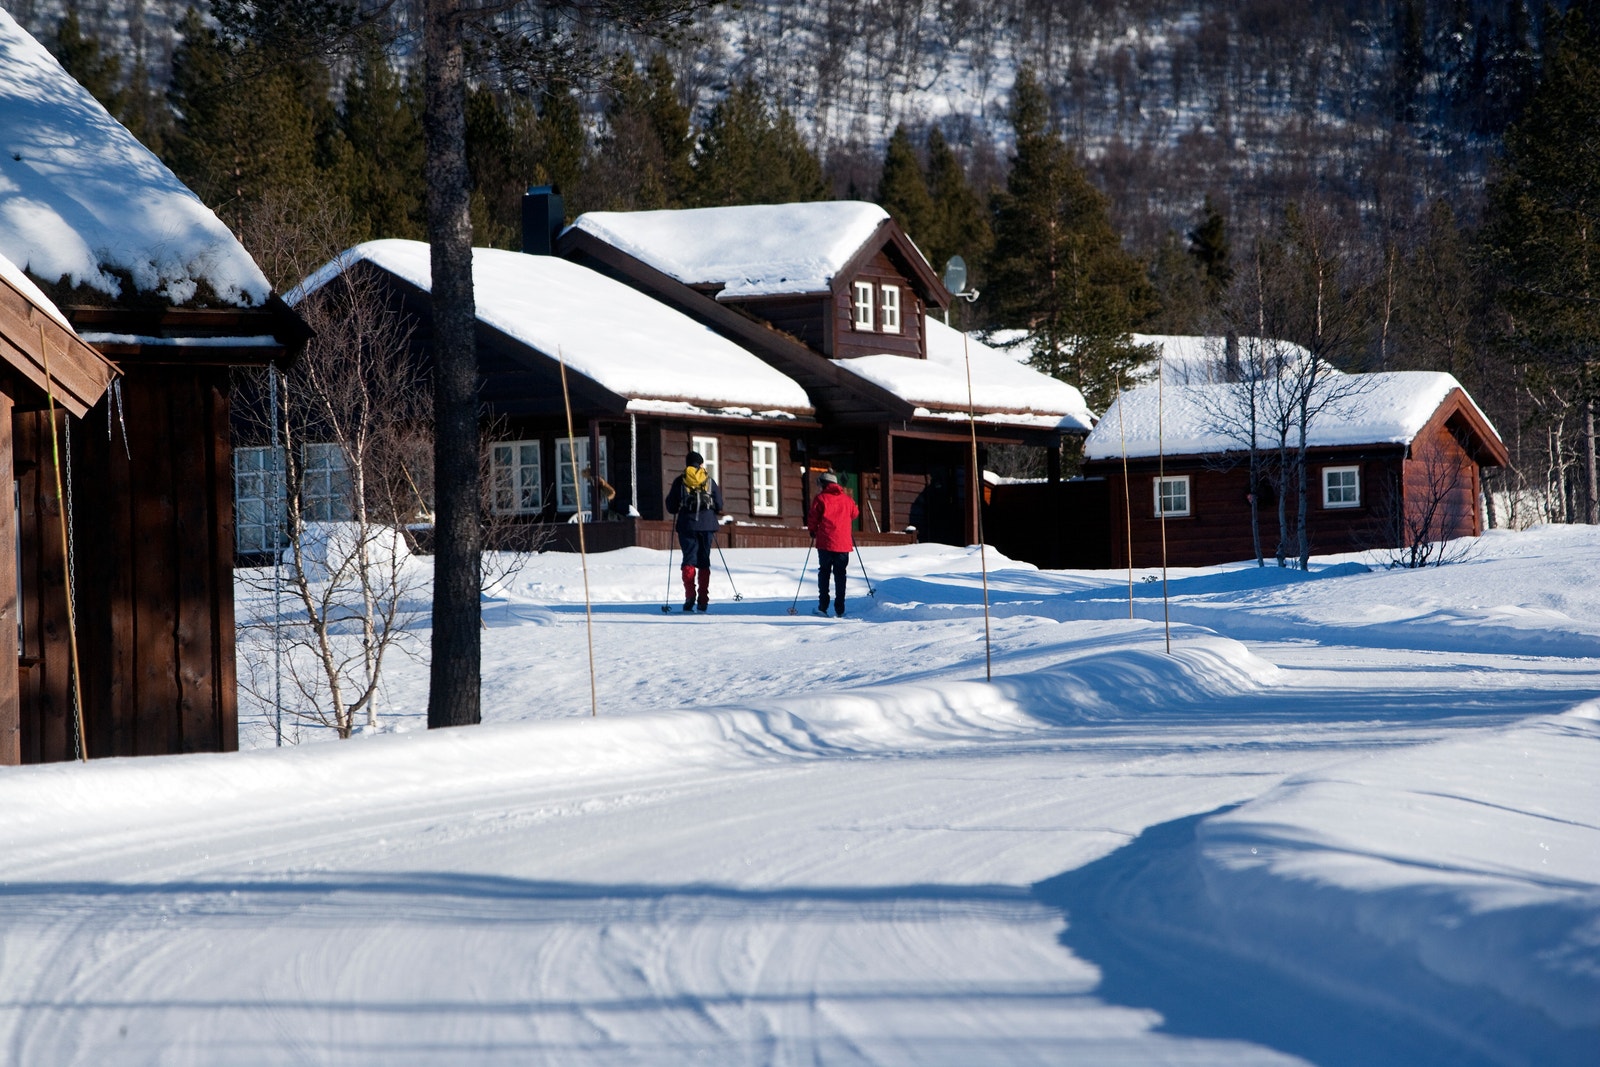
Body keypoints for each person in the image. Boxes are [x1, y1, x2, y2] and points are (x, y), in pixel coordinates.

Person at [665, 450, 724, 612]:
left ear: (687, 464)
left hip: (687, 525)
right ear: (701, 464)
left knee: (689, 560)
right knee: (704, 561)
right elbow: (719, 505)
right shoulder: (709, 481)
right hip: (707, 526)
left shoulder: (680, 481)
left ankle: (689, 595)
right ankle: (703, 599)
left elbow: (671, 507)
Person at [806, 470, 859, 618]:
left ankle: (823, 607)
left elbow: (813, 517)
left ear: (823, 484)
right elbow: (855, 514)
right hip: (843, 543)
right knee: (840, 575)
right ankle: (840, 609)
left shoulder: (820, 498)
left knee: (824, 573)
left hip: (825, 542)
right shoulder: (847, 500)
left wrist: (812, 530)